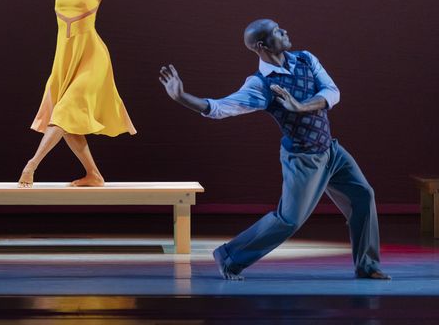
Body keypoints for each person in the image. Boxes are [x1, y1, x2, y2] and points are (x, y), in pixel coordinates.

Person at [159, 19, 389, 280]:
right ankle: (229, 255)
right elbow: (222, 108)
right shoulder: (260, 84)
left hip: (331, 152)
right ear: (262, 45)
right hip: (303, 158)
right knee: (288, 220)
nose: (286, 32)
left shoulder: (305, 59)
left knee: (363, 196)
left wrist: (301, 106)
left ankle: (367, 266)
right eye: (278, 32)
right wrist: (182, 98)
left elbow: (332, 91)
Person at [19, 0, 209, 187]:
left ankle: (32, 165)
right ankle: (94, 175)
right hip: (64, 56)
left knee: (63, 112)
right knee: (67, 121)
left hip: (91, 57)